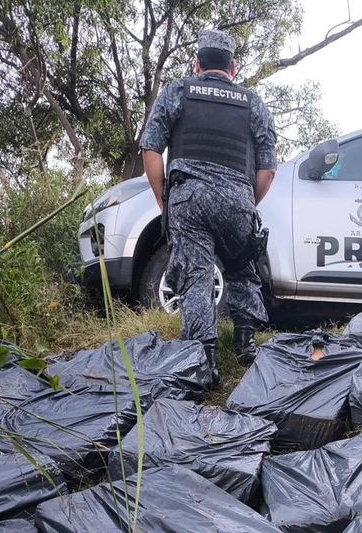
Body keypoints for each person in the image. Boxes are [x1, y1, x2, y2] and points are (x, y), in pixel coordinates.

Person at [138, 29, 278, 385]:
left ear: (198, 63)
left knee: (196, 276)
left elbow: (151, 149)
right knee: (242, 266)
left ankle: (205, 360)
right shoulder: (253, 103)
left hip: (189, 198)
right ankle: (245, 344)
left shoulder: (177, 91)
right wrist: (246, 201)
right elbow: (268, 169)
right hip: (237, 198)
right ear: (233, 68)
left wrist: (163, 198)